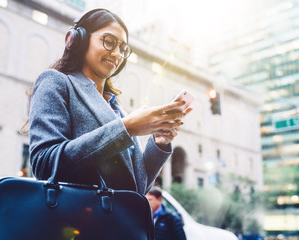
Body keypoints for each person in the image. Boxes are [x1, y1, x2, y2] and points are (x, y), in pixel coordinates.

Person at [28, 8, 192, 195]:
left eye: (123, 48)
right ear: (78, 39)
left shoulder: (117, 109)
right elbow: (44, 165)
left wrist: (160, 142)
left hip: (117, 223)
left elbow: (137, 189)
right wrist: (127, 128)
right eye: (109, 42)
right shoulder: (56, 82)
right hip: (77, 220)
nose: (117, 54)